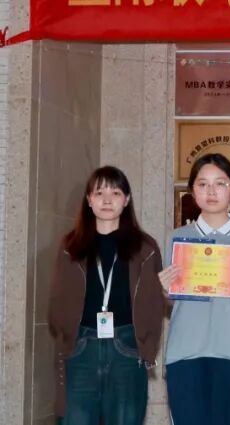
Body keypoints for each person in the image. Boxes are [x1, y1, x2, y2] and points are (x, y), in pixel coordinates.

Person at [47, 166, 165, 425]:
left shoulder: (145, 248)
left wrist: (146, 345)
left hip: (127, 347)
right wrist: (67, 334)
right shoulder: (70, 246)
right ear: (89, 200)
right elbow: (57, 299)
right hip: (81, 346)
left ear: (127, 199)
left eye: (116, 192)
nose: (107, 200)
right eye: (99, 193)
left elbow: (155, 303)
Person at [158, 153, 230, 425]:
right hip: (184, 350)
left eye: (220, 183)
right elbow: (173, 300)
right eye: (202, 184)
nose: (211, 191)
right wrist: (164, 290)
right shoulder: (177, 238)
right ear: (192, 190)